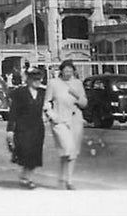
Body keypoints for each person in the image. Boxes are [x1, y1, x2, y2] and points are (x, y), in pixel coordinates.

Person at [46, 59, 88, 190]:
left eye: (70, 70)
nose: (68, 72)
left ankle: (67, 180)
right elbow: (47, 102)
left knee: (72, 152)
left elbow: (84, 104)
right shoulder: (53, 83)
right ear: (61, 70)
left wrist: (76, 95)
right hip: (60, 121)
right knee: (67, 149)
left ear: (74, 71)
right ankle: (63, 179)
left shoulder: (78, 83)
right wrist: (52, 116)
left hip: (75, 119)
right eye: (65, 69)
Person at [6, 67, 47, 189]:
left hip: (38, 128)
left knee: (35, 154)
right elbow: (13, 112)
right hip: (22, 128)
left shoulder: (43, 93)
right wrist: (10, 130)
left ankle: (26, 177)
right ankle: (25, 177)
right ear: (28, 80)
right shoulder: (20, 93)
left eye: (39, 79)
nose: (37, 82)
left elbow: (49, 106)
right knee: (25, 152)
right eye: (34, 79)